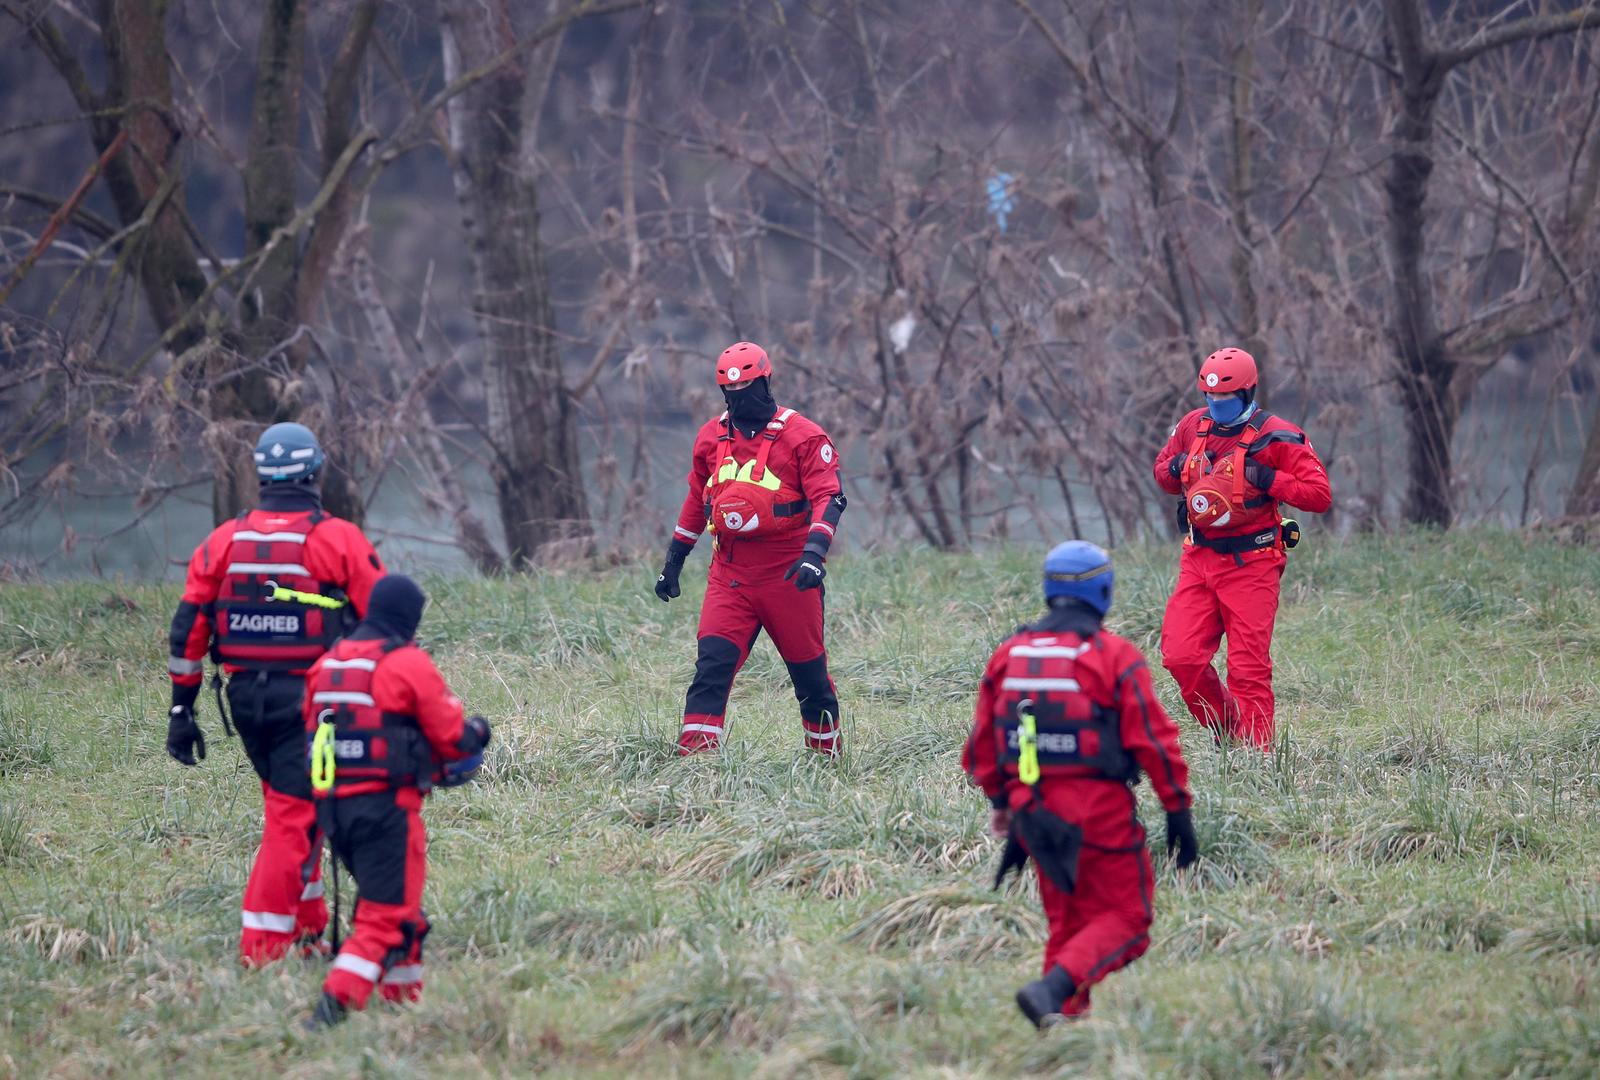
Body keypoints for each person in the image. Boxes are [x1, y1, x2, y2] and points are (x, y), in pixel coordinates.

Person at [164, 422, 385, 964]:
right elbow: (384, 620)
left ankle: (308, 931)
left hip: (245, 704)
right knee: (293, 820)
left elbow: (188, 627)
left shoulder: (223, 541)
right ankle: (261, 949)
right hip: (313, 704)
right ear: (316, 473)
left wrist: (181, 708)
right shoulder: (338, 539)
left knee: (295, 812)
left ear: (260, 477)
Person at [963, 541, 1197, 1028]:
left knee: (1069, 926)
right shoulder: (1113, 655)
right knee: (1129, 920)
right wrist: (1178, 812)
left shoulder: (1009, 652)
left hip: (1033, 811)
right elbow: (1155, 742)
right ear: (1104, 590)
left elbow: (982, 746)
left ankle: (1060, 1026)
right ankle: (1051, 991)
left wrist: (1005, 805)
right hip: (1098, 811)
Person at [301, 574, 491, 1026]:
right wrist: (479, 732)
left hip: (334, 814)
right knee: (386, 918)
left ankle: (401, 1006)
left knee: (407, 916)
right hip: (387, 812)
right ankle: (330, 1012)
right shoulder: (407, 662)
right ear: (409, 619)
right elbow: (451, 737)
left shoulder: (326, 663)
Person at [653, 341, 848, 755]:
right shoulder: (711, 437)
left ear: (767, 381)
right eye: (731, 394)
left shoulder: (804, 437)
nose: (740, 401)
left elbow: (829, 497)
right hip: (730, 575)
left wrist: (814, 554)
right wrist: (673, 562)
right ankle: (695, 765)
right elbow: (695, 500)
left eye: (749, 390)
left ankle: (827, 762)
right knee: (712, 667)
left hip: (789, 576)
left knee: (810, 678)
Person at [1152, 347, 1331, 749]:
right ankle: (1228, 727)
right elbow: (1162, 472)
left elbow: (1319, 494)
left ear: (1249, 394)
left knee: (1247, 669)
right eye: (1210, 400)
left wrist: (1266, 477)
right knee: (1181, 657)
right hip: (1198, 559)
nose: (1216, 408)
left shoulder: (1277, 435)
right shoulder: (1191, 426)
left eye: (1226, 401)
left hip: (1253, 563)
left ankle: (1256, 762)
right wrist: (1180, 468)